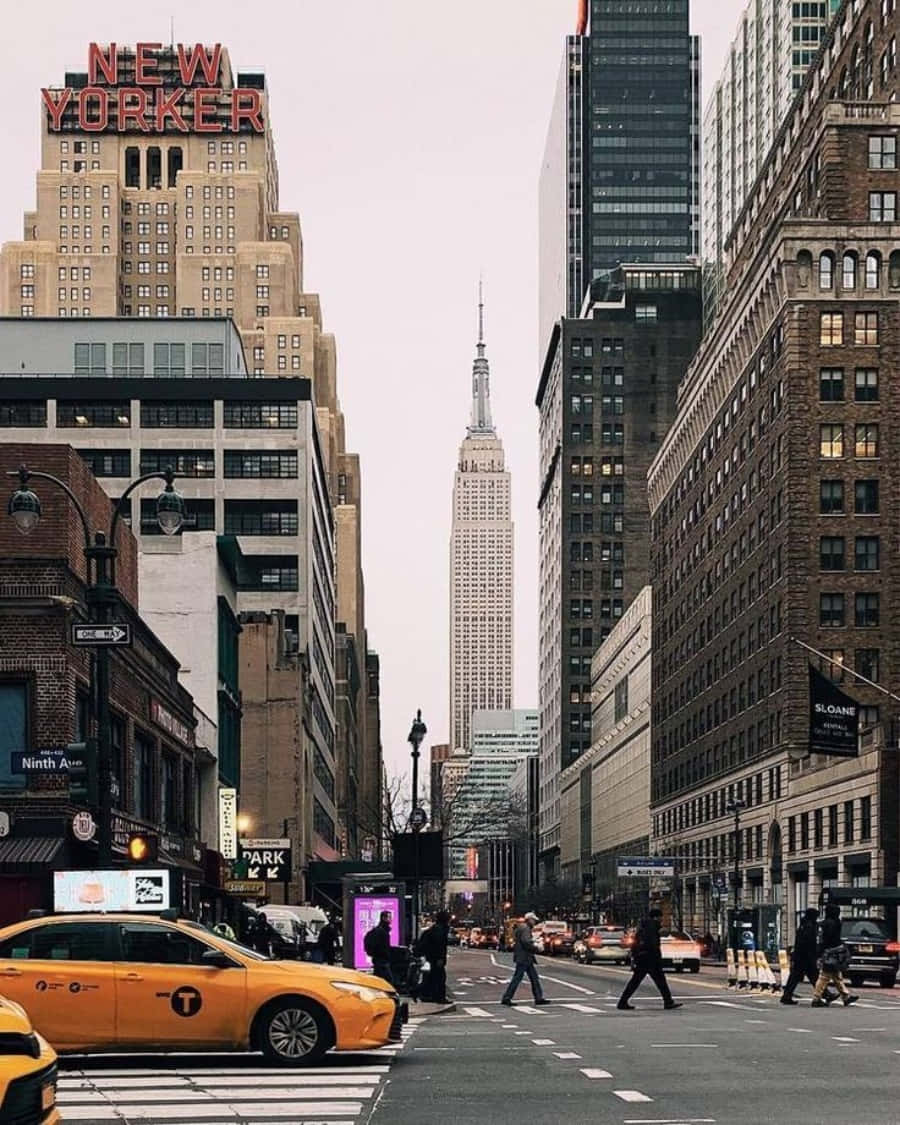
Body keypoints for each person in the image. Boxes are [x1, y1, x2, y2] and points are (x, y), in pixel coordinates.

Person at [617, 908, 682, 1011]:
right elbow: (652, 944)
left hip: (642, 958)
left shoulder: (643, 926)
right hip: (650, 959)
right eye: (661, 917)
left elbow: (636, 943)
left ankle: (622, 1002)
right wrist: (657, 957)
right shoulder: (652, 927)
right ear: (657, 917)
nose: (662, 919)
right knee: (660, 981)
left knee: (636, 981)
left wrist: (635, 956)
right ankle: (668, 1002)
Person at [812, 904, 858, 1007]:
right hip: (832, 953)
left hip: (828, 952)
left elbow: (822, 940)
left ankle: (845, 996)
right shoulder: (834, 923)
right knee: (825, 976)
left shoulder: (823, 924)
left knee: (836, 975)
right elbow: (831, 939)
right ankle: (816, 998)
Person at [501, 912, 550, 1006]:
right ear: (529, 920)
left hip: (525, 957)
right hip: (524, 957)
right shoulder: (525, 929)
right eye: (533, 920)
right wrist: (536, 948)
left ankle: (538, 998)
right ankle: (507, 998)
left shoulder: (522, 927)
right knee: (518, 978)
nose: (535, 922)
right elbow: (526, 942)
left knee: (533, 978)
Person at [780, 907, 820, 1005]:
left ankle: (787, 995)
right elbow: (809, 944)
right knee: (813, 977)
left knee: (797, 977)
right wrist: (814, 955)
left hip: (800, 956)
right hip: (805, 957)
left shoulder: (803, 925)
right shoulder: (809, 927)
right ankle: (824, 995)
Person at [416, 911, 451, 1002]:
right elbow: (439, 946)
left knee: (432, 977)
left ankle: (428, 995)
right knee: (439, 977)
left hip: (431, 957)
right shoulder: (440, 930)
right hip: (436, 958)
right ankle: (438, 997)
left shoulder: (436, 929)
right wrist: (440, 958)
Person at [364, 910, 394, 984]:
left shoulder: (381, 930)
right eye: (389, 917)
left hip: (379, 959)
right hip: (382, 959)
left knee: (379, 978)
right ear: (383, 918)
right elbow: (381, 946)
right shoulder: (381, 931)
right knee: (387, 980)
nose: (391, 919)